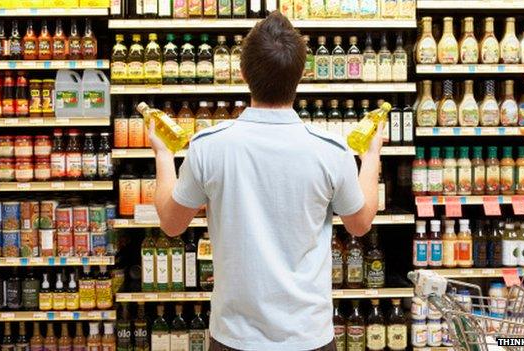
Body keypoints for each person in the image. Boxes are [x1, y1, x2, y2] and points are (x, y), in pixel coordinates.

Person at [147, 11, 383, 351]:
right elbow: (360, 224)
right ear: (301, 74)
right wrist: (372, 156)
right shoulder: (331, 151)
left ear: (243, 73)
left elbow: (171, 223)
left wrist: (163, 155)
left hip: (234, 337)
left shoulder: (210, 146)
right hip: (308, 336)